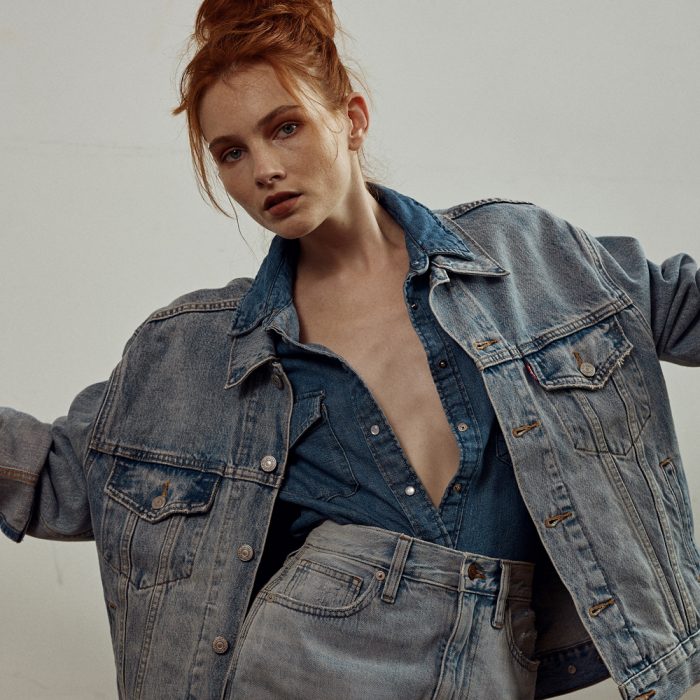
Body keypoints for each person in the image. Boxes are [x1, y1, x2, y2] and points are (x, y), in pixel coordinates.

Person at [2, 1, 699, 698]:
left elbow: (682, 306)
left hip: (486, 671)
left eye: (286, 127)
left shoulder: (525, 259)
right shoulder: (198, 350)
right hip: (295, 673)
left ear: (352, 118)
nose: (264, 169)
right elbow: (63, 477)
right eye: (232, 153)